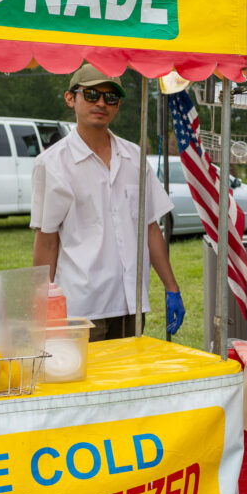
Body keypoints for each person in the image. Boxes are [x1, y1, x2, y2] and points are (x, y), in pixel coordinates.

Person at [31, 63, 186, 342]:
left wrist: (171, 287)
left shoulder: (135, 157)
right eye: (91, 94)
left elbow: (150, 228)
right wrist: (41, 300)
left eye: (110, 97)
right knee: (86, 384)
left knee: (127, 383)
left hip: (130, 304)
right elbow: (47, 240)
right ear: (70, 98)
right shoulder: (51, 164)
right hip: (80, 306)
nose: (101, 103)